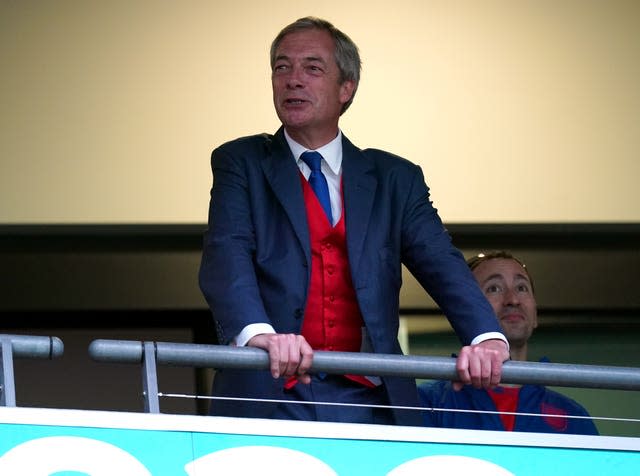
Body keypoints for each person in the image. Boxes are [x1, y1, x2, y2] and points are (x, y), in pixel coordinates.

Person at [198, 16, 509, 426]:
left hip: (372, 398)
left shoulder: (394, 179)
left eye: (312, 68)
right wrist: (259, 335)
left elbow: (440, 260)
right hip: (271, 392)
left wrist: (486, 336)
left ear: (347, 88)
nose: (293, 79)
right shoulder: (241, 162)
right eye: (281, 67)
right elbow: (227, 252)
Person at [418, 251, 599, 434]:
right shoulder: (429, 403)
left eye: (521, 288)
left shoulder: (574, 416)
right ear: (467, 312)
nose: (513, 300)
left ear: (535, 316)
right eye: (494, 288)